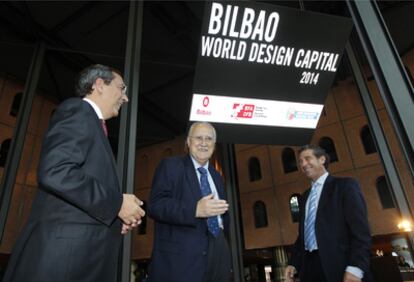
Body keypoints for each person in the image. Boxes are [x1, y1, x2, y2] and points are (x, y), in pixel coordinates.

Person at [3, 64, 145, 282]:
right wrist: (116, 203)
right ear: (99, 85)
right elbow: (56, 171)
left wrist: (115, 215)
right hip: (65, 259)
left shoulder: (93, 124)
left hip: (80, 256)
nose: (125, 98)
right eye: (121, 88)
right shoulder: (78, 111)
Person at [148, 122, 231, 282]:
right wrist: (195, 210)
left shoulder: (216, 175)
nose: (204, 143)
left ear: (214, 144)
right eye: (198, 138)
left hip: (218, 249)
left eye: (209, 139)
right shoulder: (171, 166)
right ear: (188, 142)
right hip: (182, 258)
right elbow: (156, 205)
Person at [285, 145, 371, 282]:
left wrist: (356, 267)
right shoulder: (304, 197)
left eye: (307, 159)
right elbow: (303, 235)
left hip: (341, 267)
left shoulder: (345, 186)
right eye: (300, 161)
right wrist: (293, 263)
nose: (303, 164)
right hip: (309, 268)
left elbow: (361, 231)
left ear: (322, 159)